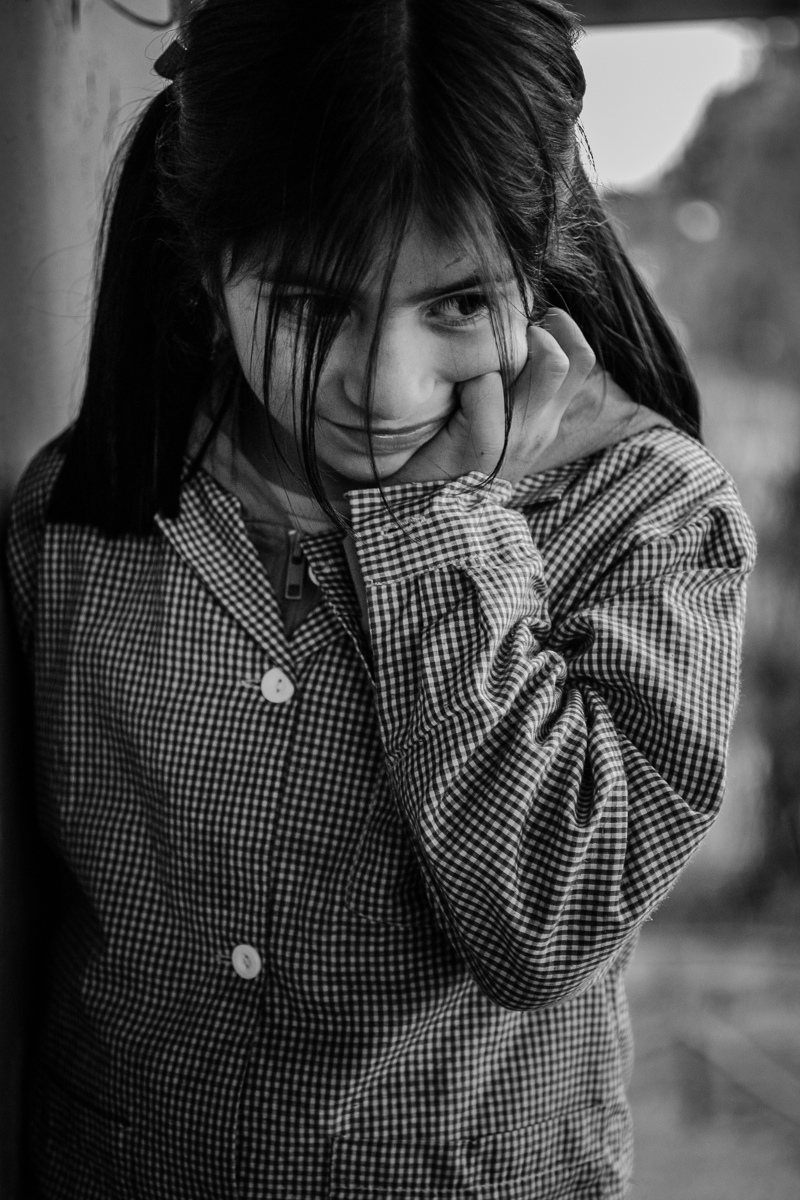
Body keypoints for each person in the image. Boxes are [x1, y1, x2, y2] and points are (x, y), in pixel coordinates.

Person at [4, 1, 755, 1196]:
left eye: (456, 303)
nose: (382, 386)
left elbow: (545, 922)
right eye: (309, 309)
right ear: (207, 270)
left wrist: (434, 529)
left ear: (534, 259)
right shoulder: (83, 514)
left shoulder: (651, 520)